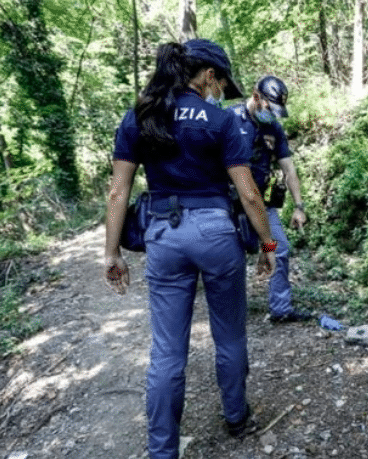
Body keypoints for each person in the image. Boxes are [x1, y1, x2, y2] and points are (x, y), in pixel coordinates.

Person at [103, 39, 280, 459]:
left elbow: (117, 192)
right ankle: (237, 418)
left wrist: (111, 254)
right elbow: (250, 194)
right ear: (208, 75)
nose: (220, 90)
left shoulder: (140, 117)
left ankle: (162, 449)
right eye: (220, 82)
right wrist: (267, 244)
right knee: (230, 334)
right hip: (217, 233)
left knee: (166, 350)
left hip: (164, 236)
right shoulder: (222, 122)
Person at [228, 75, 312, 322]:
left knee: (277, 247)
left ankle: (281, 308)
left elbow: (289, 169)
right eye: (269, 108)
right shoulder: (229, 119)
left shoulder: (274, 128)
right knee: (231, 257)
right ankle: (230, 312)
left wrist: (299, 206)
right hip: (227, 206)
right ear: (256, 97)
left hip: (261, 205)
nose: (272, 114)